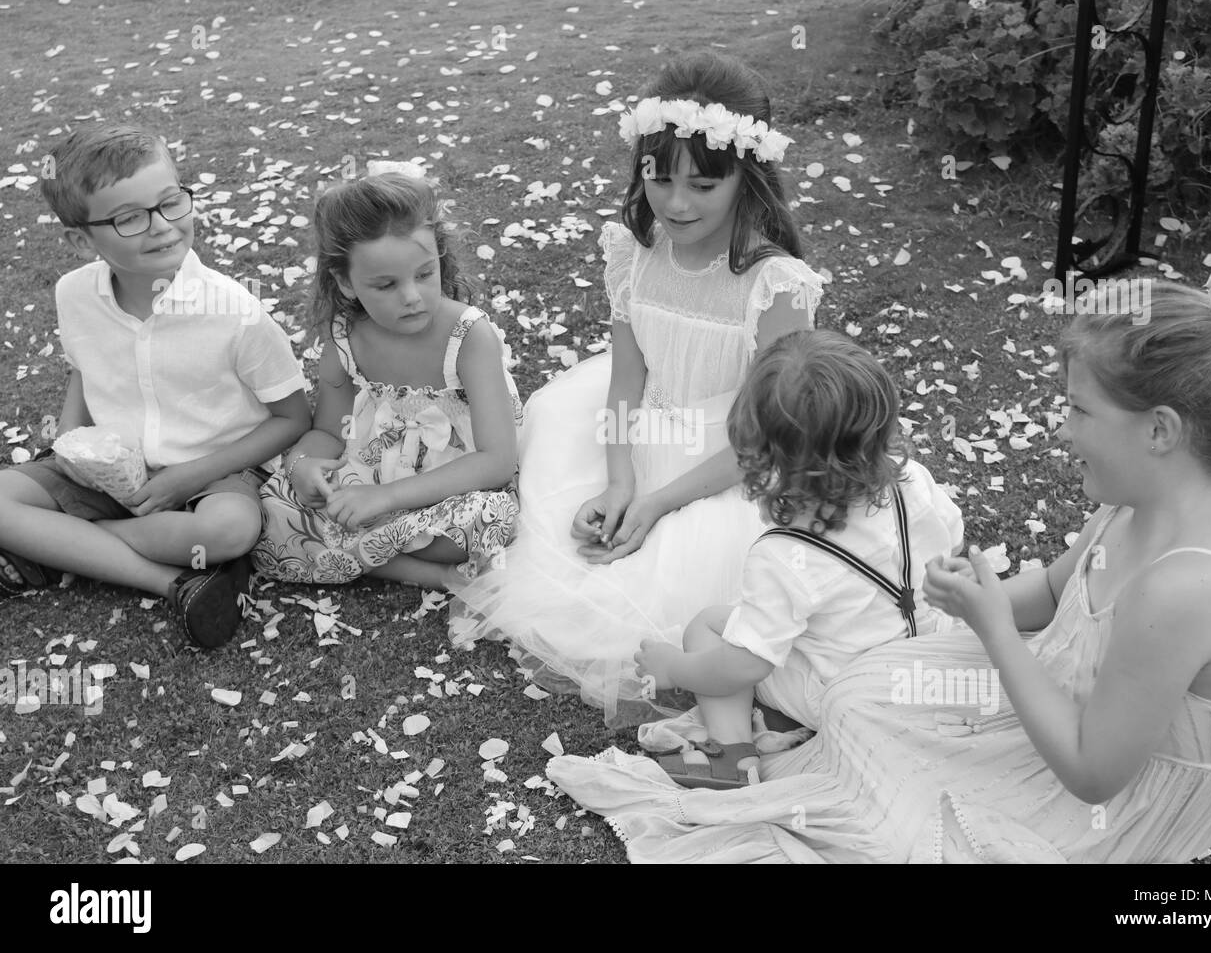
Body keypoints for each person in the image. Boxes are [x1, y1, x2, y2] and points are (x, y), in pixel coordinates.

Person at [548, 273, 1211, 863]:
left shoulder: (1184, 587)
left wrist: (995, 631)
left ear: (1159, 430)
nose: (1061, 429)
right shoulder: (1131, 510)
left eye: (1078, 411)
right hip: (1080, 713)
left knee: (896, 818)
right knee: (862, 697)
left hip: (1118, 799)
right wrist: (980, 597)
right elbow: (1051, 595)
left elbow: (1094, 772)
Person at [451, 52, 825, 725]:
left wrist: (655, 504)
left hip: (735, 458)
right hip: (642, 426)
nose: (677, 204)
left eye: (704, 186)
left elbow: (763, 435)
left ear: (749, 177)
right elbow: (626, 378)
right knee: (562, 526)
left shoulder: (776, 285)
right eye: (660, 178)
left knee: (679, 584)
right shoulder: (634, 249)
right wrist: (620, 480)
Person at [0, 124, 310, 648]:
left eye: (171, 203)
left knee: (230, 530)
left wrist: (188, 478)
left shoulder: (234, 311)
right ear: (81, 241)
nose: (161, 226)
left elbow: (293, 418)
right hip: (107, 469)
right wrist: (73, 442)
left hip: (215, 471)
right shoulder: (74, 293)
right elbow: (84, 366)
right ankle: (175, 580)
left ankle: (58, 549)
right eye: (129, 218)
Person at [632, 330, 964, 788]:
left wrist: (675, 668)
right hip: (922, 667)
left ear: (767, 461)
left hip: (846, 696)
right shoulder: (914, 483)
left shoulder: (785, 554)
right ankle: (778, 720)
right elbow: (952, 541)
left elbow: (745, 665)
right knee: (826, 624)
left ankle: (731, 755)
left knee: (709, 625)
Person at [251, 164, 522, 590]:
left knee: (491, 519)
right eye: (385, 285)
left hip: (455, 479)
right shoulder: (345, 336)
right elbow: (328, 430)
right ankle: (428, 571)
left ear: (439, 257)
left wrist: (385, 499)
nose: (412, 297)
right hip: (373, 467)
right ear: (345, 282)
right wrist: (303, 466)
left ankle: (368, 556)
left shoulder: (469, 336)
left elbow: (497, 462)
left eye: (424, 274)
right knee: (272, 508)